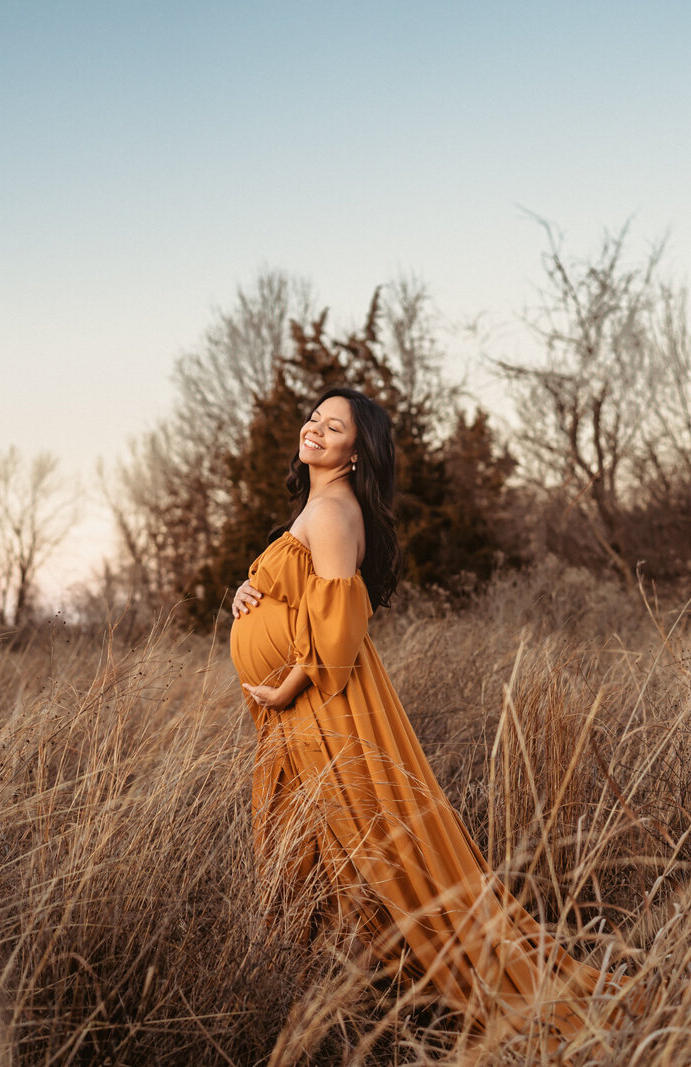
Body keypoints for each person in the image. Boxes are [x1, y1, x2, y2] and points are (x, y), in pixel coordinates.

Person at [228, 386, 622, 1036]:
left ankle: (369, 1006)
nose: (316, 431)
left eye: (335, 427)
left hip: (321, 705)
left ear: (357, 453)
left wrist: (284, 685)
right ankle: (340, 995)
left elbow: (338, 629)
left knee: (363, 847)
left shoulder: (331, 512)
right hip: (304, 713)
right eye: (314, 419)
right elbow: (309, 597)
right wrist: (253, 589)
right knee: (323, 849)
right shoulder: (319, 508)